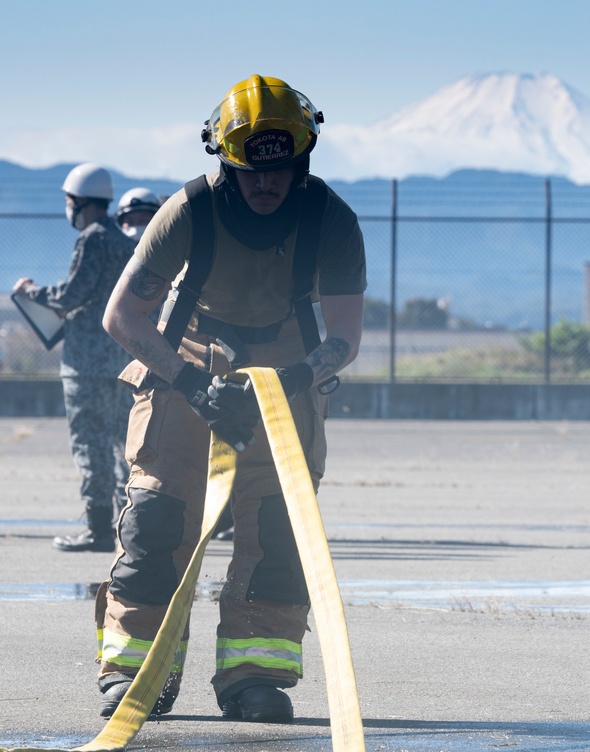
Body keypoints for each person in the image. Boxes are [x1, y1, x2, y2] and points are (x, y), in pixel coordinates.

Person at [96, 75, 366, 723]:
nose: (266, 185)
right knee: (155, 526)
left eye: (280, 171)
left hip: (283, 390)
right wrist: (192, 384)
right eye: (251, 172)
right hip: (183, 382)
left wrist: (296, 379)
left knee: (276, 534)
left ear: (301, 161)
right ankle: (137, 674)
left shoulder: (331, 219)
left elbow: (345, 336)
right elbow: (123, 320)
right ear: (227, 163)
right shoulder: (188, 212)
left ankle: (255, 676)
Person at [13, 163, 135, 552]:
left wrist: (32, 291)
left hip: (86, 364)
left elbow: (71, 295)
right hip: (120, 358)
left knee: (90, 444)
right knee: (121, 443)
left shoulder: (93, 239)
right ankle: (125, 525)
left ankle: (98, 530)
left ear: (80, 201)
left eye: (69, 201)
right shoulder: (122, 240)